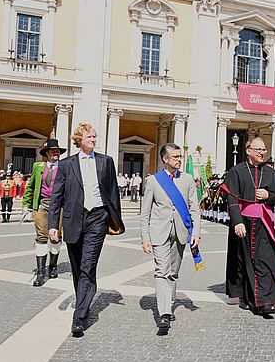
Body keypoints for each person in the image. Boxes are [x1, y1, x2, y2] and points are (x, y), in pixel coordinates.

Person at [48, 123, 125, 337]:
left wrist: (113, 218)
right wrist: (53, 224)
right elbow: (57, 196)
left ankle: (79, 317)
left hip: (97, 217)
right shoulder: (66, 164)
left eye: (95, 136)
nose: (93, 139)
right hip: (74, 218)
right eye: (89, 136)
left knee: (88, 264)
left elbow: (112, 192)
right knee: (77, 267)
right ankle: (84, 299)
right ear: (79, 140)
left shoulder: (106, 162)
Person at [223, 137, 275, 318]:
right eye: (258, 149)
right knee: (245, 260)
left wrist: (269, 195)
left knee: (267, 259)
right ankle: (250, 299)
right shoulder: (237, 171)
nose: (262, 153)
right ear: (248, 150)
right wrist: (237, 222)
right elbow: (232, 199)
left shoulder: (270, 172)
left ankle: (267, 301)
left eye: (264, 150)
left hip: (265, 222)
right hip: (244, 222)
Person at [140, 143, 201, 330]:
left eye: (180, 157)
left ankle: (170, 303)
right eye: (175, 157)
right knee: (161, 271)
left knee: (173, 272)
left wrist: (196, 232)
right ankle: (164, 313)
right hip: (159, 232)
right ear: (165, 159)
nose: (179, 160)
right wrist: (145, 238)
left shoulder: (187, 179)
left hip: (181, 232)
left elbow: (194, 209)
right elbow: (145, 212)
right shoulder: (153, 181)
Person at [23, 138, 67, 287]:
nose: (56, 153)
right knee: (41, 237)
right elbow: (30, 187)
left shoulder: (65, 167)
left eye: (58, 151)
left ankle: (53, 265)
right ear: (47, 153)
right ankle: (41, 272)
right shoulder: (38, 167)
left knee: (55, 237)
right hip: (41, 204)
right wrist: (26, 206)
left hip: (59, 206)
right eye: (53, 151)